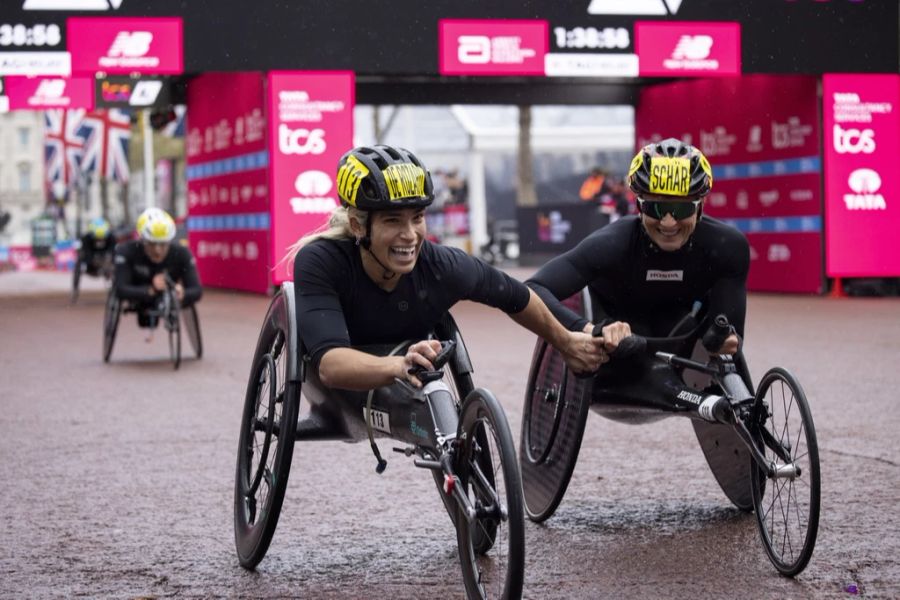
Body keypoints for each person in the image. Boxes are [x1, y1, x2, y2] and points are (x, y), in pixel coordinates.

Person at [289, 144, 606, 393]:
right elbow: (330, 366)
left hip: (407, 365)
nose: (410, 234)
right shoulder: (321, 261)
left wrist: (566, 342)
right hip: (343, 376)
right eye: (392, 220)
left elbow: (517, 296)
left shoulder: (443, 265)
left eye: (417, 217)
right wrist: (399, 366)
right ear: (358, 225)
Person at [527, 138, 749, 359]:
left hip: (687, 343)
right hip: (616, 343)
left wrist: (727, 339)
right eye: (655, 208)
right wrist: (589, 329)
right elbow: (534, 288)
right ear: (639, 207)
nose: (668, 222)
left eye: (681, 209)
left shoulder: (728, 247)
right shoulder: (612, 244)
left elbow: (731, 335)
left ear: (700, 207)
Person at [113, 207, 202, 333]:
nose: (158, 250)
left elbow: (197, 290)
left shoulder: (182, 253)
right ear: (143, 241)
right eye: (152, 244)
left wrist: (183, 293)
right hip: (141, 295)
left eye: (163, 244)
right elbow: (120, 289)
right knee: (145, 319)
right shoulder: (126, 252)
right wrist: (151, 289)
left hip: (168, 293)